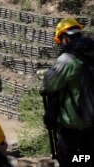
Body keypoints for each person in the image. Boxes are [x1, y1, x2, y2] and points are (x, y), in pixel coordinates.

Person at [43, 18, 94, 167]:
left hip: (72, 125)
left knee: (67, 160)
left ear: (64, 39)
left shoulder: (67, 60)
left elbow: (50, 85)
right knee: (87, 158)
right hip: (92, 124)